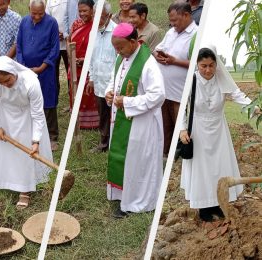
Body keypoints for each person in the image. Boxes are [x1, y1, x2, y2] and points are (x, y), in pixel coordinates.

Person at [180, 46, 258, 222]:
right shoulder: (191, 81)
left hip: (218, 129)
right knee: (202, 169)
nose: (208, 70)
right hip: (198, 131)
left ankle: (218, 203)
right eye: (203, 66)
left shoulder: (222, 79)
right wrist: (182, 129)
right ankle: (204, 207)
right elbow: (182, 107)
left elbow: (238, 95)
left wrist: (254, 108)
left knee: (219, 166)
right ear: (197, 65)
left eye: (211, 65)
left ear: (216, 65)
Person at [105, 23, 165, 218]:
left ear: (133, 42)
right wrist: (109, 93)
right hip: (123, 120)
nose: (118, 51)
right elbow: (114, 80)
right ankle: (122, 195)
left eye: (120, 47)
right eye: (115, 47)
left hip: (142, 124)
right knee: (126, 159)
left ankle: (137, 201)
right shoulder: (122, 57)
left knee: (138, 162)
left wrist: (128, 102)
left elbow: (158, 95)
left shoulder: (148, 63)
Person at [0, 56, 53, 209]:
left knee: (24, 154)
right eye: (1, 82)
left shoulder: (31, 82)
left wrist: (36, 141)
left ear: (13, 72)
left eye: (7, 80)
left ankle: (25, 189)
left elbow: (37, 114)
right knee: (2, 149)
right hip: (3, 116)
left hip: (25, 117)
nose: (5, 85)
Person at [153, 2, 197, 156]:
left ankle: (179, 155)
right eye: (170, 20)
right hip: (164, 90)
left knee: (181, 126)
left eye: (175, 20)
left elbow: (199, 64)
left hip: (180, 93)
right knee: (165, 126)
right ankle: (165, 154)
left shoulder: (196, 34)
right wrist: (158, 55)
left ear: (186, 15)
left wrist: (174, 61)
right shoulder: (171, 32)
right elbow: (159, 48)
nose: (172, 24)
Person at [17, 0, 60, 150]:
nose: (36, 17)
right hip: (26, 70)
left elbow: (55, 48)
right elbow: (19, 46)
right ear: (29, 9)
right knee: (29, 99)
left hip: (45, 70)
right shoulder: (23, 22)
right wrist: (23, 66)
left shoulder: (52, 23)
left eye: (40, 14)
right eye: (34, 13)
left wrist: (42, 67)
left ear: (45, 10)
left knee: (48, 100)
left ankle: (52, 136)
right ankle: (33, 134)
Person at [87, 1, 117, 152]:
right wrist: (91, 78)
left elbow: (120, 60)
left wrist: (114, 84)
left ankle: (114, 143)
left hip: (113, 83)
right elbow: (91, 58)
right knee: (103, 114)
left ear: (109, 16)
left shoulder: (116, 32)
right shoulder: (93, 31)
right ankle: (104, 142)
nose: (96, 20)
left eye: (101, 17)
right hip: (99, 81)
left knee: (115, 114)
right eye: (94, 16)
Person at [69, 0, 99, 129]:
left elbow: (97, 48)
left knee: (88, 93)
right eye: (80, 11)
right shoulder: (75, 24)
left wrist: (85, 60)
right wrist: (72, 58)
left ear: (92, 10)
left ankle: (92, 122)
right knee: (76, 93)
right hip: (75, 67)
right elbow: (70, 42)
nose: (82, 14)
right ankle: (77, 120)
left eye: (85, 11)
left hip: (89, 67)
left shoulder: (97, 25)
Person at [46, 0, 69, 100]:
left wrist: (66, 34)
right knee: (54, 71)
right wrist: (55, 33)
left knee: (70, 71)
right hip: (54, 44)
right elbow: (47, 18)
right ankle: (55, 96)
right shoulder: (50, 2)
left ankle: (72, 96)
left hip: (69, 41)